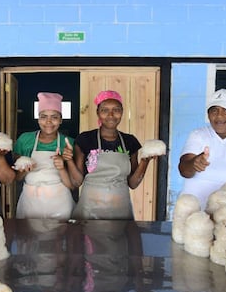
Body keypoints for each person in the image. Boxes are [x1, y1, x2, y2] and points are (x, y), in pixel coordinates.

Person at [66, 90, 157, 220]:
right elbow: (76, 181)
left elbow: (133, 183)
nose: (111, 115)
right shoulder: (85, 139)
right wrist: (69, 160)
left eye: (116, 110)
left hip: (121, 210)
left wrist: (145, 161)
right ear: (98, 113)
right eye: (104, 110)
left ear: (122, 112)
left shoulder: (130, 141)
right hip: (89, 211)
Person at [14, 92, 75, 220]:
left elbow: (72, 185)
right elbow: (17, 178)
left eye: (54, 117)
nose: (48, 122)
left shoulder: (68, 143)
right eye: (43, 116)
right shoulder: (25, 140)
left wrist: (62, 167)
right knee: (30, 237)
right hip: (30, 202)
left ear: (61, 119)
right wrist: (25, 169)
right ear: (38, 118)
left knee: (59, 237)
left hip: (60, 202)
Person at [178, 88, 226, 210]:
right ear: (208, 114)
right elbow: (184, 170)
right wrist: (194, 163)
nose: (219, 116)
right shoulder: (198, 135)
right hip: (196, 217)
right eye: (214, 111)